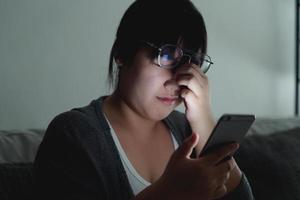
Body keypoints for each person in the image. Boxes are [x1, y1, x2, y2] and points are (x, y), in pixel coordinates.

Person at [34, 0, 254, 199]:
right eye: (167, 56)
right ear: (122, 53)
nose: (180, 78)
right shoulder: (75, 134)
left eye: (192, 61)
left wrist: (205, 122)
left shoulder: (186, 130)